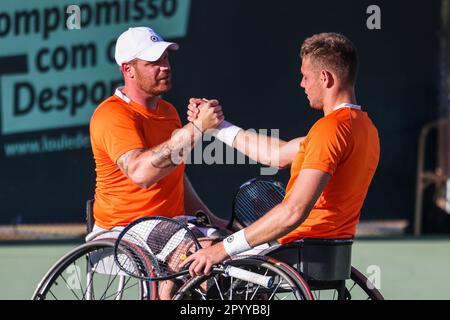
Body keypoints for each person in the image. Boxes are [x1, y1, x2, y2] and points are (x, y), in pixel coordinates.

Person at [181, 32, 380, 276]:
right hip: (330, 252)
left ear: (325, 78)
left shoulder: (329, 129)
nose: (302, 84)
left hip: (296, 248)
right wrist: (218, 127)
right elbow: (276, 155)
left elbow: (293, 211)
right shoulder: (364, 128)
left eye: (306, 77)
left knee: (190, 254)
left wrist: (222, 249)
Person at [88, 27, 229, 275]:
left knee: (231, 251)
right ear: (127, 70)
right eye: (153, 62)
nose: (164, 66)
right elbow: (141, 173)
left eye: (165, 58)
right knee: (204, 260)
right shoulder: (111, 115)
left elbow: (173, 176)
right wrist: (196, 128)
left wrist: (212, 219)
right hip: (124, 228)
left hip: (173, 224)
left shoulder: (168, 112)